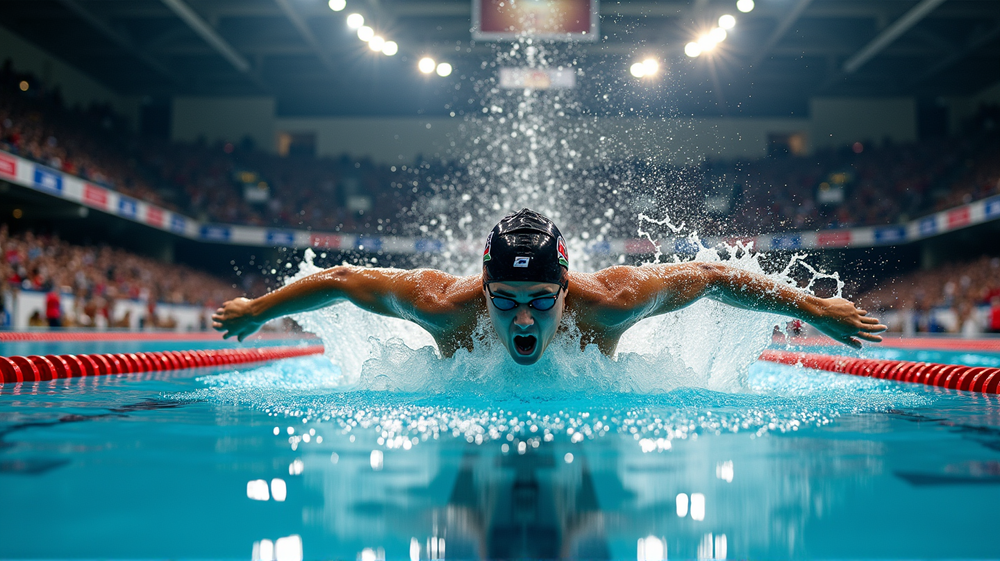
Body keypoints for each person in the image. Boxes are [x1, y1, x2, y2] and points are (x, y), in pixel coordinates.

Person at [213, 209, 886, 365]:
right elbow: (338, 279)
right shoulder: (446, 307)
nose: (522, 318)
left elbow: (709, 275)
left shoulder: (611, 303)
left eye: (540, 300)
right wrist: (257, 310)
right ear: (483, 286)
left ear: (566, 290)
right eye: (504, 300)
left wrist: (811, 308)